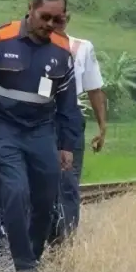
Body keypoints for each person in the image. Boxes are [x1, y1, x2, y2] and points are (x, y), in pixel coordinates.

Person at [0, 0, 80, 272]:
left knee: (45, 195)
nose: (50, 25)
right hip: (2, 128)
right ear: (30, 8)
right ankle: (23, 263)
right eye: (45, 17)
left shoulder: (63, 48)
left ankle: (34, 252)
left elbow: (67, 102)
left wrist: (67, 144)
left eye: (58, 19)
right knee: (15, 191)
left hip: (41, 130)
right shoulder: (1, 38)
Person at [49, 12, 108, 243]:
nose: (57, 21)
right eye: (51, 17)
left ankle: (66, 237)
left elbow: (94, 89)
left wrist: (102, 126)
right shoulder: (32, 46)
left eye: (61, 16)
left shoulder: (82, 47)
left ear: (68, 18)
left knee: (68, 179)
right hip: (36, 117)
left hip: (70, 117)